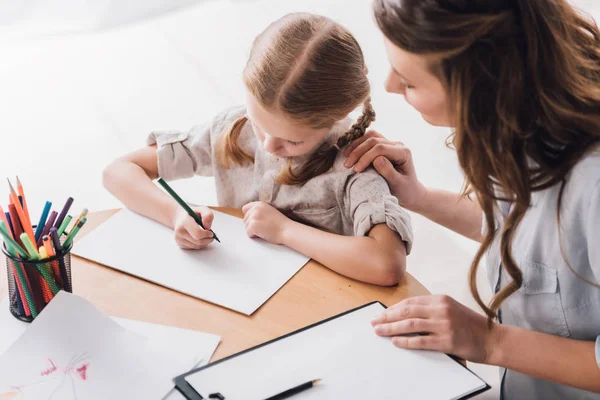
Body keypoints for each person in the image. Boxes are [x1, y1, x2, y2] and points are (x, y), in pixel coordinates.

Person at [348, 0, 600, 397]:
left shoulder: (593, 184)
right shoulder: (523, 120)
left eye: (409, 81)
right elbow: (524, 230)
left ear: (484, 82)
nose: (389, 86)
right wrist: (420, 197)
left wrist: (489, 342)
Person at [102, 12, 413, 286]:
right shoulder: (234, 130)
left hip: (321, 309)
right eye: (259, 123)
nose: (268, 145)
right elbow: (117, 172)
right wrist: (175, 215)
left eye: (292, 141)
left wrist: (285, 231)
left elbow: (386, 264)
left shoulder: (354, 163)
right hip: (241, 291)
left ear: (337, 117)